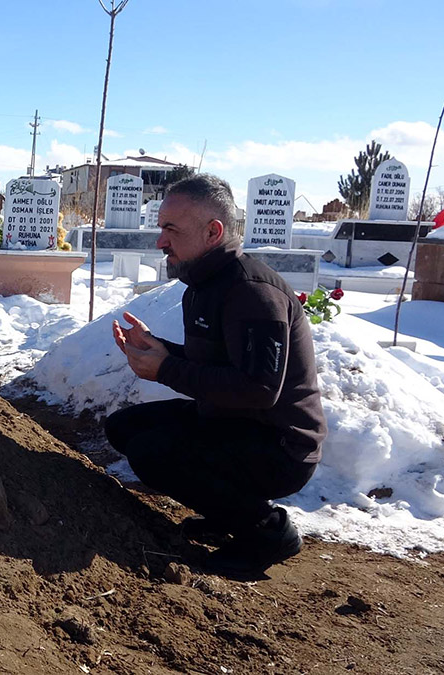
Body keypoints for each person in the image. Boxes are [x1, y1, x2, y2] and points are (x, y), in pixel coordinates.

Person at [103, 174, 326, 575]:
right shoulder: (204, 286)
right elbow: (218, 363)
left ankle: (268, 533)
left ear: (213, 232)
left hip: (280, 446)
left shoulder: (252, 292)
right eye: (161, 228)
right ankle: (228, 515)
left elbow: (259, 389)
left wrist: (167, 369)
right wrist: (160, 350)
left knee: (152, 452)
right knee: (124, 428)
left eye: (171, 229)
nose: (160, 241)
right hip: (233, 421)